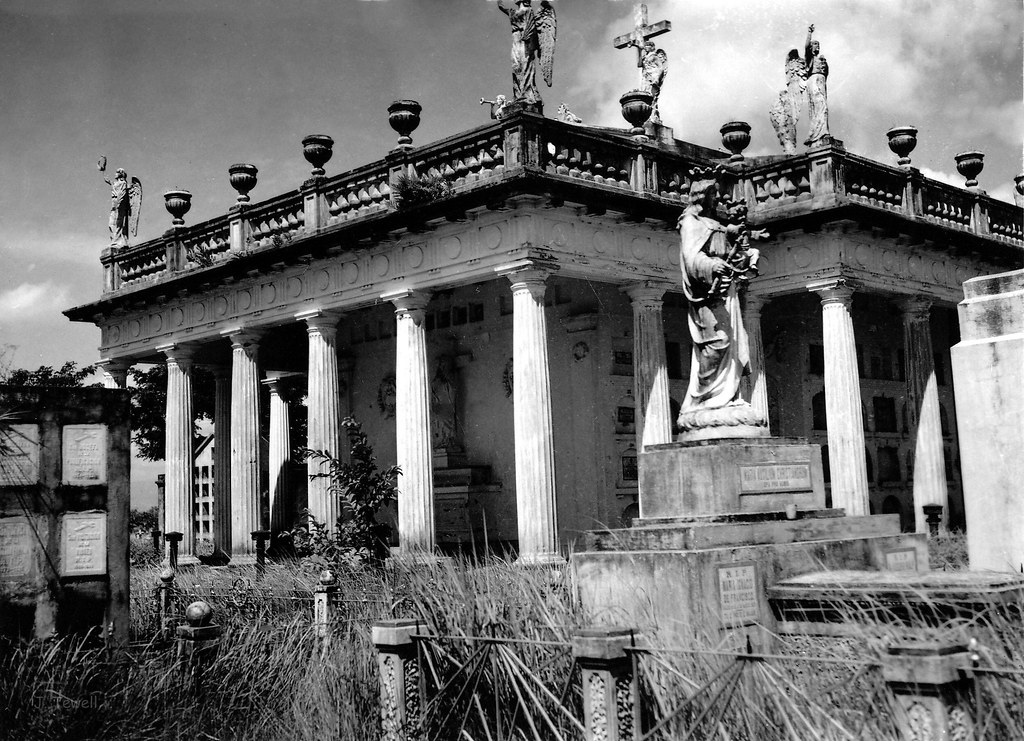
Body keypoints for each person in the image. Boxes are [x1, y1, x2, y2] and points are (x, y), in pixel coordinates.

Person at [677, 174, 765, 414]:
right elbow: (691, 257)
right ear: (702, 196)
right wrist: (712, 266)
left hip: (728, 291)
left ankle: (728, 397)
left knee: (734, 344)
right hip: (707, 293)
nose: (718, 198)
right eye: (713, 194)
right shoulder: (691, 222)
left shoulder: (715, 223)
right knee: (718, 341)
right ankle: (705, 400)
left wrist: (741, 252)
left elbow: (729, 252)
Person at [497, 0, 556, 106]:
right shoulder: (513, 12)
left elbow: (531, 28)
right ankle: (518, 95)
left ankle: (527, 95)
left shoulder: (528, 10)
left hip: (525, 42)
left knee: (525, 67)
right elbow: (501, 6)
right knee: (516, 67)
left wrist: (526, 37)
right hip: (516, 41)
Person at [804, 24, 830, 146]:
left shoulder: (821, 59)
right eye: (815, 44)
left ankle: (823, 132)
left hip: (821, 81)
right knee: (820, 106)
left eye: (818, 45)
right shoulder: (810, 59)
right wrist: (809, 33)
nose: (817, 46)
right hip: (813, 81)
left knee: (824, 107)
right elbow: (805, 47)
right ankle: (816, 134)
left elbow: (826, 73)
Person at [105, 167, 131, 247]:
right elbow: (107, 180)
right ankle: (115, 239)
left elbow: (122, 194)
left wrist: (119, 204)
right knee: (111, 223)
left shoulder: (123, 183)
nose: (115, 174)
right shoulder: (115, 183)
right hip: (114, 206)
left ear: (120, 174)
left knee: (118, 223)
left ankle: (117, 241)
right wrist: (103, 170)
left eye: (116, 172)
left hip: (119, 206)